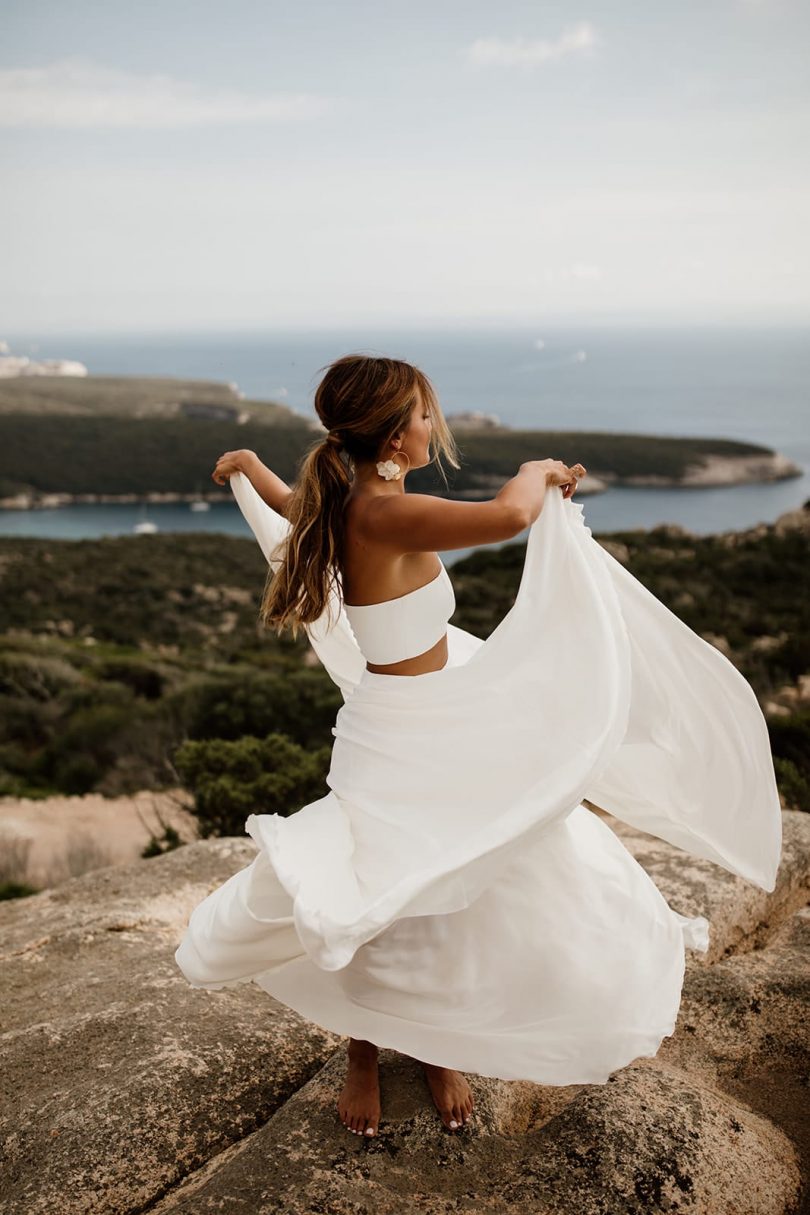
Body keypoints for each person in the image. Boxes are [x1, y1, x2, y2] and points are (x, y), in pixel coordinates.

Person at [175, 353, 782, 1141]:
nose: (434, 425)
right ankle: (365, 1046)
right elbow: (506, 516)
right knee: (391, 887)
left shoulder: (354, 500)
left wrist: (256, 468)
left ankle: (434, 1040)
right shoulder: (384, 513)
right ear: (394, 433)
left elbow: (306, 511)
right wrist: (539, 469)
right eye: (424, 414)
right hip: (403, 732)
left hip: (440, 707)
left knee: (462, 875)